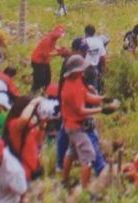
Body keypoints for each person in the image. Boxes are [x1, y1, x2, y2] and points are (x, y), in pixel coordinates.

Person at [60, 55, 106, 190]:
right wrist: (101, 109)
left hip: (75, 125)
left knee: (72, 152)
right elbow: (80, 110)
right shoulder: (69, 89)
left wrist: (101, 99)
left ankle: (64, 180)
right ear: (74, 71)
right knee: (88, 157)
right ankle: (86, 191)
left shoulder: (78, 80)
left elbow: (86, 95)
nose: (83, 71)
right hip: (75, 126)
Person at [30, 26, 66, 93]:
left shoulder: (53, 38)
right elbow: (45, 55)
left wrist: (58, 49)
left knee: (47, 79)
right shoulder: (47, 41)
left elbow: (52, 46)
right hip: (38, 61)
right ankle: (33, 93)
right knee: (39, 80)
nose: (59, 37)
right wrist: (58, 54)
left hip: (44, 62)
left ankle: (45, 92)